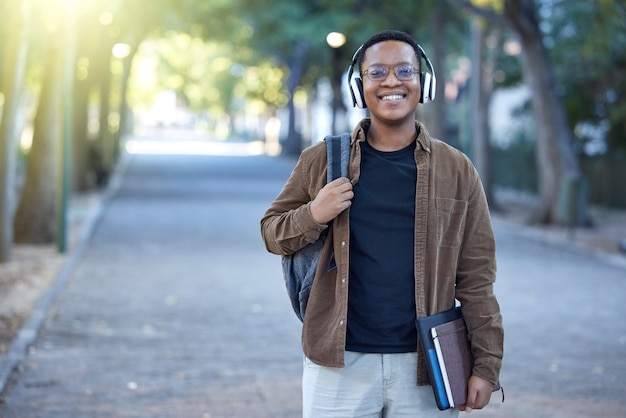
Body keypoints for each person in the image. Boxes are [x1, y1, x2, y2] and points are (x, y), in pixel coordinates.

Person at [260, 29, 503, 417]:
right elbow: (272, 233)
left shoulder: (456, 169)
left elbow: (477, 277)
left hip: (427, 364)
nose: (392, 81)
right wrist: (314, 213)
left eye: (405, 70)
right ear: (360, 86)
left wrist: (486, 365)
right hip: (338, 362)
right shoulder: (321, 160)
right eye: (377, 73)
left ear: (424, 83)